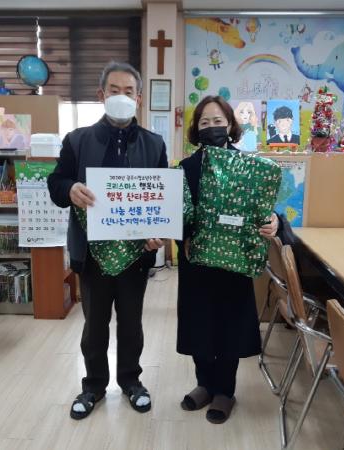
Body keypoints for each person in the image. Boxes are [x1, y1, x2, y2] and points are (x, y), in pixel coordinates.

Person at [47, 61, 167, 420]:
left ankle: (131, 381)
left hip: (135, 254)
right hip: (92, 254)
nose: (121, 97)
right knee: (94, 325)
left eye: (129, 91)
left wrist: (158, 232)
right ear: (101, 95)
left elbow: (162, 199)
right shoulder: (77, 140)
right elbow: (55, 184)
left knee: (131, 323)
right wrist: (70, 188)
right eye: (114, 90)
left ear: (139, 98)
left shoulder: (154, 144)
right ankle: (93, 386)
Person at [177, 95, 279, 424]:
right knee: (199, 325)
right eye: (205, 122)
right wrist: (183, 236)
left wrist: (275, 221)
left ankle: (225, 391)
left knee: (229, 327)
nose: (212, 127)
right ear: (196, 129)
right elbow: (175, 214)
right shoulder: (186, 168)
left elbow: (265, 208)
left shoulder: (249, 167)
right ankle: (204, 385)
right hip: (197, 264)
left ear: (230, 125)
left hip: (235, 264)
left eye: (218, 121)